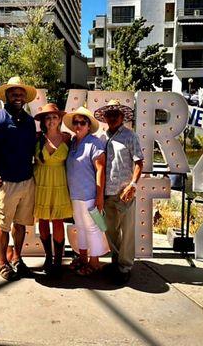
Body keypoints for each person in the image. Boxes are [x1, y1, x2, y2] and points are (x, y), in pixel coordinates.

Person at [0, 77, 37, 281]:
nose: (18, 97)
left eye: (21, 94)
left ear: (25, 97)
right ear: (6, 96)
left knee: (20, 224)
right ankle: (2, 263)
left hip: (27, 181)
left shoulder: (29, 122)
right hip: (7, 183)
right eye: (14, 94)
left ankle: (17, 258)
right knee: (3, 226)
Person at [94, 99, 144, 284]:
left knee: (127, 230)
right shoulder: (101, 138)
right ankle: (116, 262)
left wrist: (133, 184)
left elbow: (139, 162)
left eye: (116, 114)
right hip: (106, 193)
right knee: (110, 231)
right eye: (109, 114)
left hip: (125, 193)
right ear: (105, 117)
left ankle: (125, 266)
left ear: (123, 117)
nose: (112, 117)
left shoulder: (131, 136)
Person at [63, 106, 109, 276]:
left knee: (92, 228)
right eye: (75, 122)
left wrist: (99, 197)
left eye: (83, 122)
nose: (78, 125)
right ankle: (82, 258)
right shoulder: (73, 142)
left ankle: (94, 262)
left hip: (89, 195)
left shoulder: (94, 143)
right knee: (80, 227)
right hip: (75, 195)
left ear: (89, 126)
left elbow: (100, 170)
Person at [33, 103, 73, 277]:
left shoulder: (67, 138)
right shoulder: (36, 138)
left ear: (60, 119)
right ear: (43, 121)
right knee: (42, 220)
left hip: (60, 181)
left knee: (57, 221)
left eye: (54, 117)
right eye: (47, 117)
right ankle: (48, 257)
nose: (51, 120)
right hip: (41, 181)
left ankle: (58, 259)